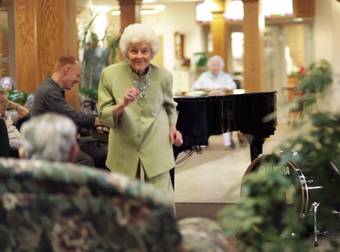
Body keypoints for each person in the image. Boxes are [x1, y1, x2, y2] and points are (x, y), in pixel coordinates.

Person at [98, 23, 182, 197]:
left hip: (156, 141)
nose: (139, 56)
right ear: (126, 52)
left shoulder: (164, 76)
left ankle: (162, 225)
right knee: (124, 199)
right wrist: (122, 104)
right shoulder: (109, 74)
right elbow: (104, 115)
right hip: (124, 143)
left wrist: (173, 127)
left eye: (144, 51)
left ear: (152, 53)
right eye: (133, 50)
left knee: (162, 197)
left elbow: (170, 107)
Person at [31, 55, 106, 168]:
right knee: (85, 161)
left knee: (100, 154)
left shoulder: (51, 88)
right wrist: (103, 120)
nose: (78, 80)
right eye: (77, 75)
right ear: (66, 70)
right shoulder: (50, 91)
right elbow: (72, 116)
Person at [192, 55, 237, 149]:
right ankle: (203, 141)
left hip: (223, 105)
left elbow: (233, 86)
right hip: (207, 105)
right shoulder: (204, 76)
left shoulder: (226, 76)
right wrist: (208, 90)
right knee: (200, 115)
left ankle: (227, 143)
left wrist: (221, 90)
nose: (215, 67)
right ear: (209, 66)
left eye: (217, 65)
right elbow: (195, 86)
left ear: (222, 66)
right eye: (213, 65)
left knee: (227, 116)